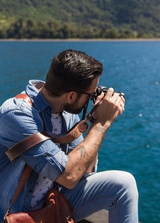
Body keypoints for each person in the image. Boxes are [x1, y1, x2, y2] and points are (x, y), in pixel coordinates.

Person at [0, 49, 138, 223]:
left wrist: (94, 118)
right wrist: (101, 125)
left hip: (51, 203)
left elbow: (84, 171)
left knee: (124, 183)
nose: (91, 99)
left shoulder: (66, 113)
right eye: (90, 95)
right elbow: (69, 176)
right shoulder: (16, 114)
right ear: (71, 96)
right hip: (14, 214)